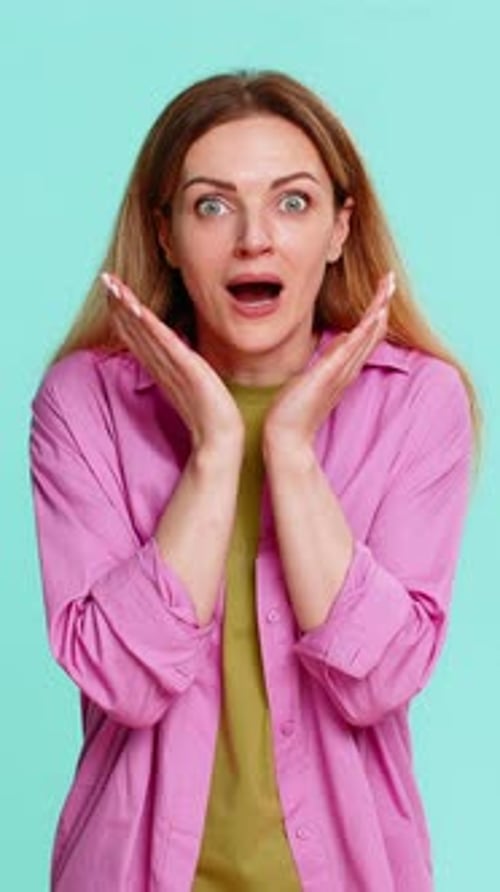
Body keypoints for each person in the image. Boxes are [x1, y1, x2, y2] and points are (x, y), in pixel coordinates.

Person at [29, 70, 479, 892]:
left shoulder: (418, 404)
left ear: (342, 228)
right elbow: (120, 681)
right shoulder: (85, 402)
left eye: (293, 202)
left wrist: (293, 452)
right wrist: (214, 448)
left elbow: (379, 681)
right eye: (211, 204)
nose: (254, 239)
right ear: (164, 233)